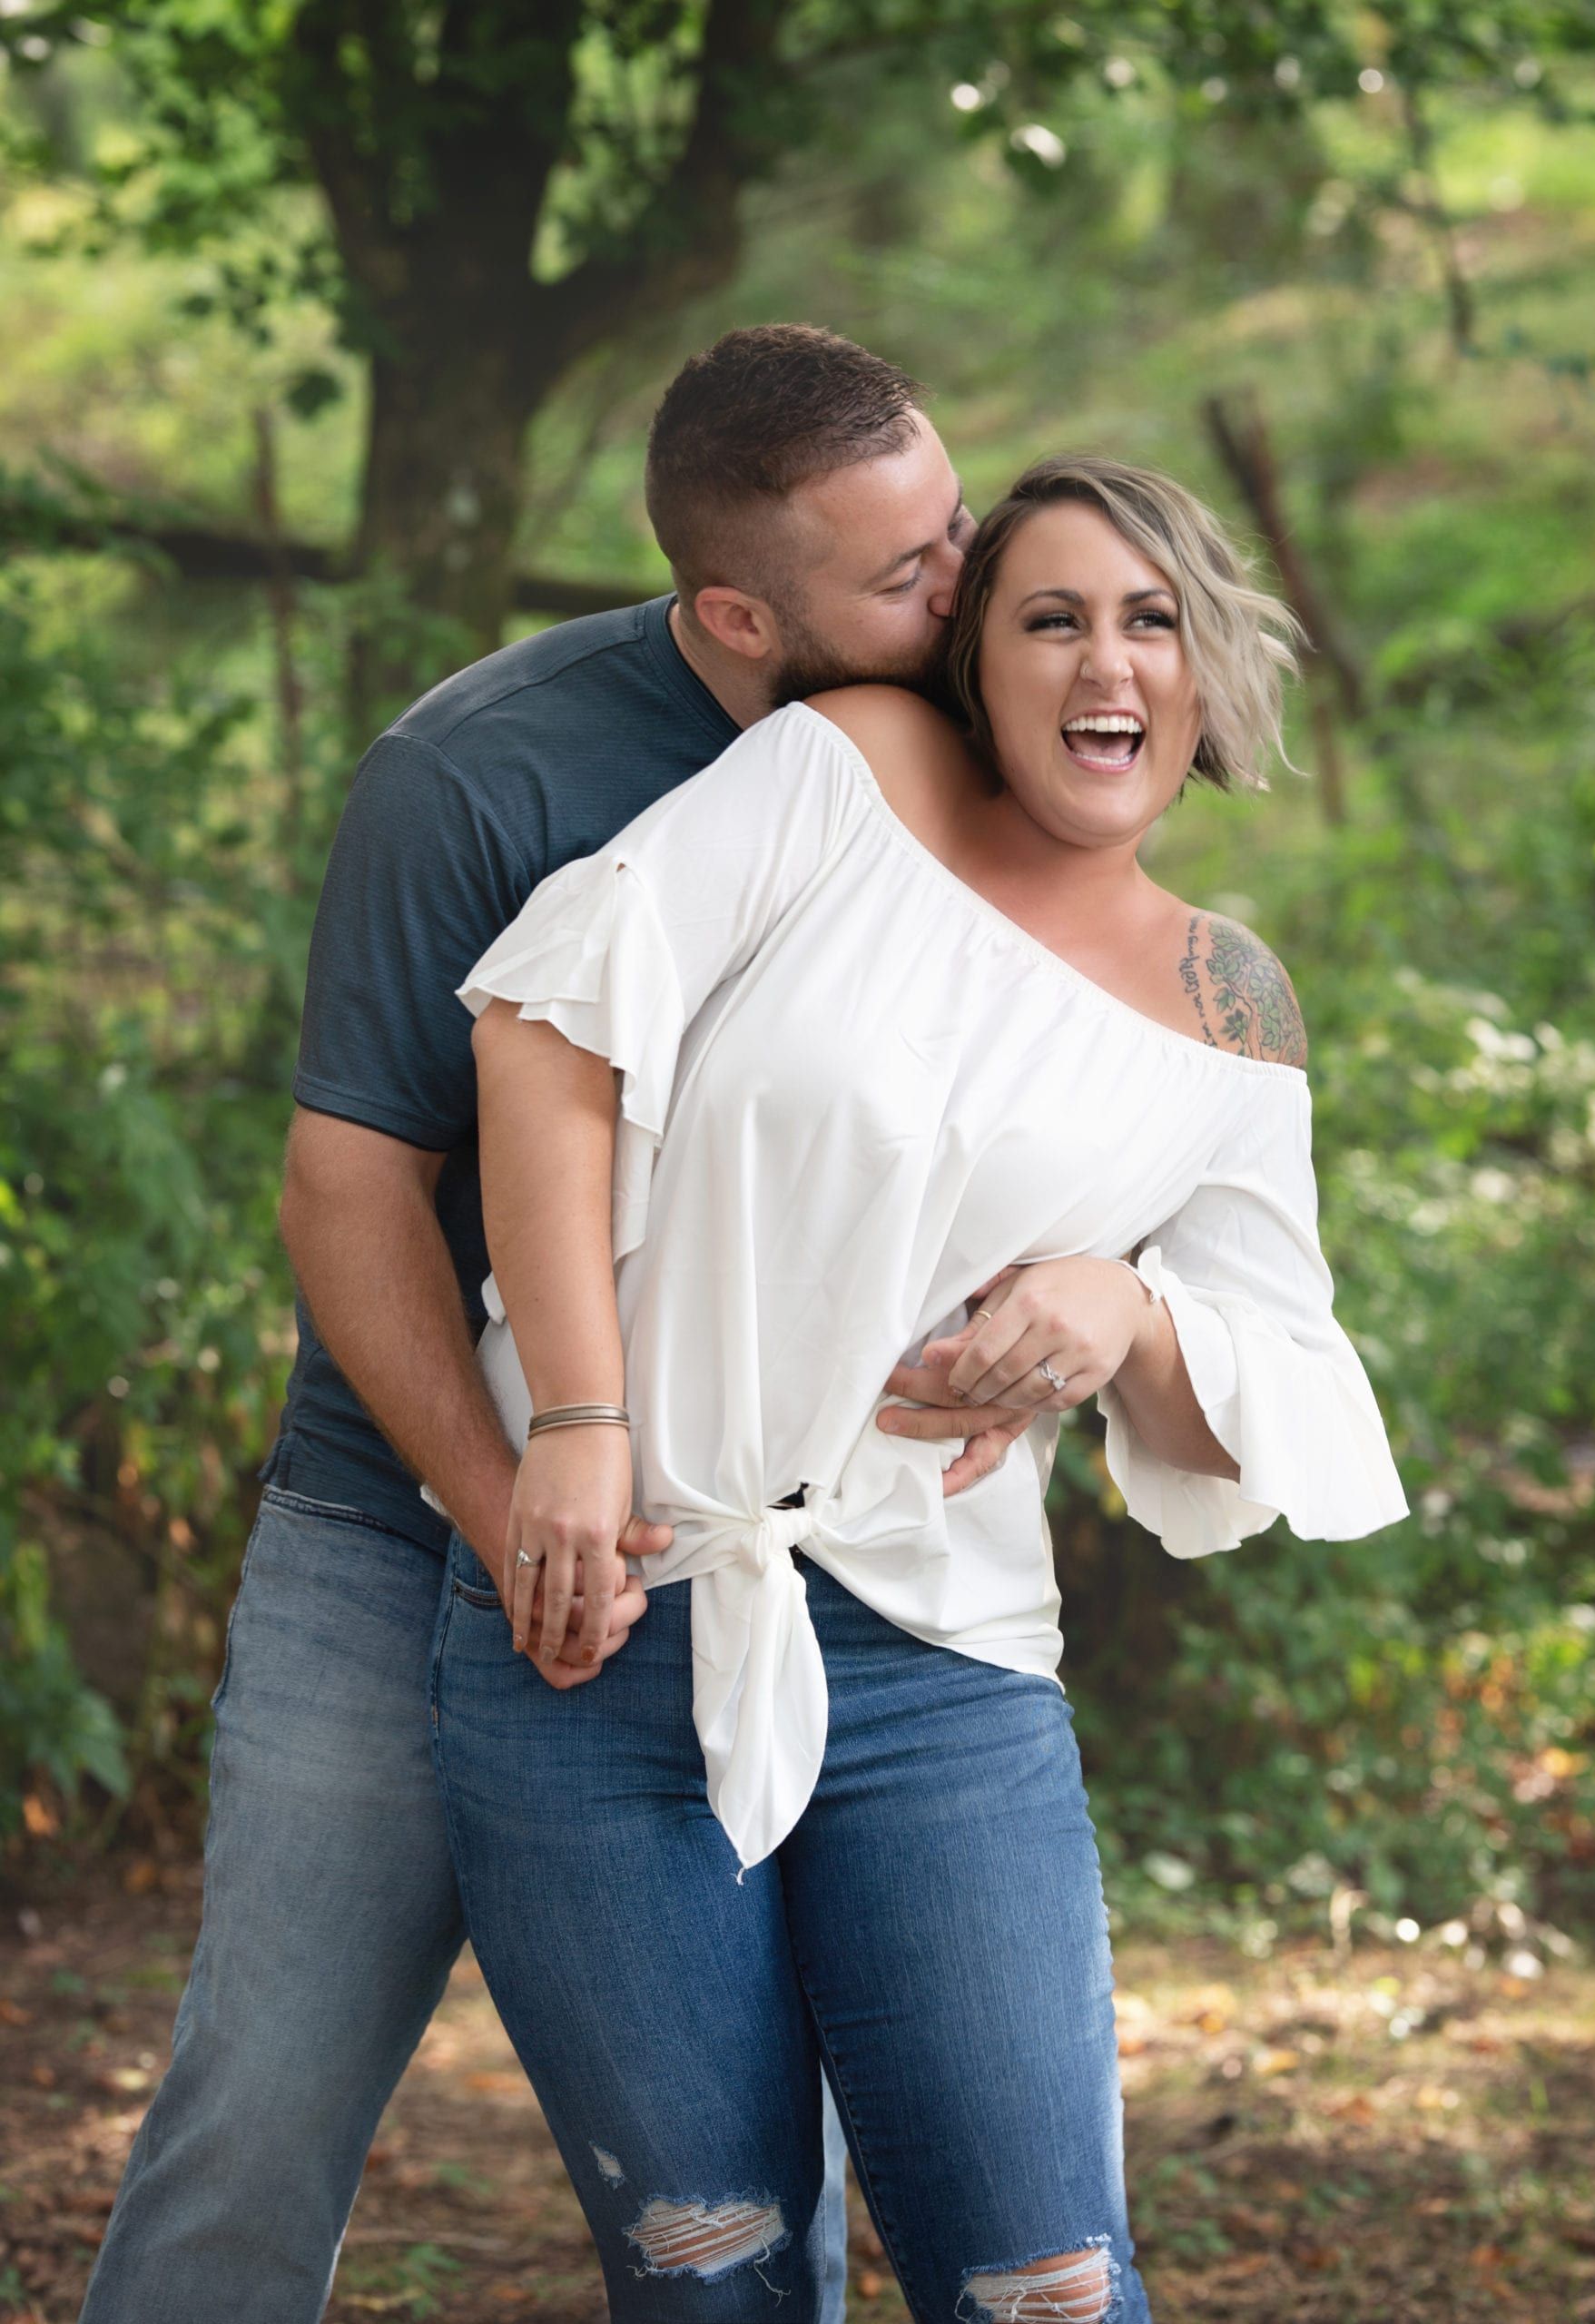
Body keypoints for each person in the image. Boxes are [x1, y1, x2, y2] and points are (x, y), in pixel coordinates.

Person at [80, 327, 1032, 2324]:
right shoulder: (485, 771)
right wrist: (506, 1493)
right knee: (265, 2104)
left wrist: (1055, 1302)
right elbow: (349, 1183)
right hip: (401, 1523)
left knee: (753, 2167)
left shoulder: (972, 748)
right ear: (737, 614)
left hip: (767, 1554)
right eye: (906, 573)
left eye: (956, 528)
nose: (965, 591)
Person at [430, 452, 1410, 2321]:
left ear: (1202, 666)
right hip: (598, 1612)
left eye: (1150, 619)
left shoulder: (1229, 1005)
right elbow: (551, 1025)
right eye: (1050, 617)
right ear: (975, 659)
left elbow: (1266, 1400)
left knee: (1046, 2281)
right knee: (707, 2268)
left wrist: (1124, 1307)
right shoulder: (848, 768)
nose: (1104, 662)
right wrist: (573, 1419)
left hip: (940, 1669)